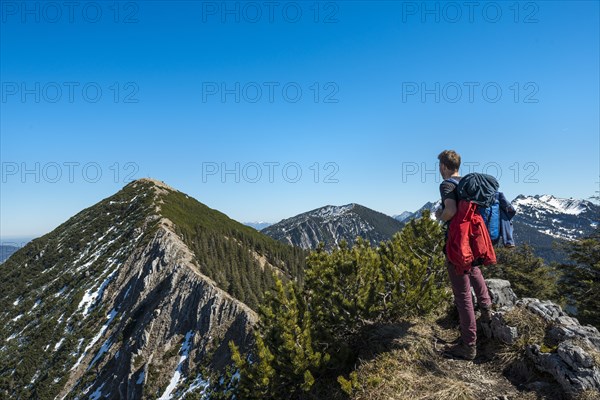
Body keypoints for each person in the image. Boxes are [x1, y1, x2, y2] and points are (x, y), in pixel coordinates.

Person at [435, 150, 492, 361]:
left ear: (443, 166)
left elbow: (449, 210)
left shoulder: (447, 184)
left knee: (462, 296)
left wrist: (439, 215)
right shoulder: (469, 185)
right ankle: (486, 310)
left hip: (458, 243)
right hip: (474, 239)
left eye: (440, 166)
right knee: (474, 269)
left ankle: (468, 346)